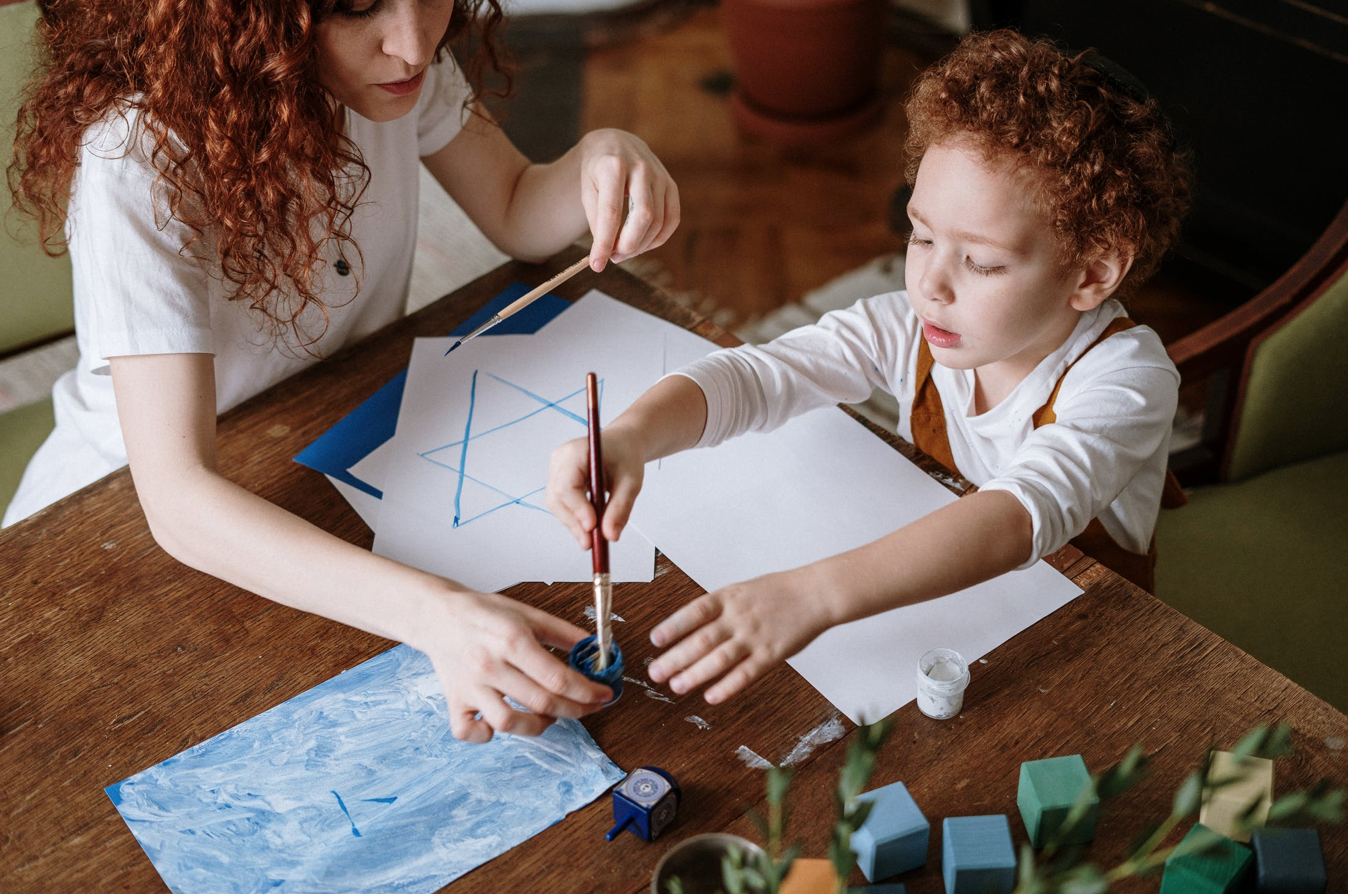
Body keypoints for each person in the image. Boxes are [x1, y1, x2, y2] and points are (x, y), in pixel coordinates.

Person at [5, 0, 680, 742]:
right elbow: (176, 498)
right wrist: (436, 613)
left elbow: (516, 208)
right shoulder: (137, 155)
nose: (415, 42)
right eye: (359, 7)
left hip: (339, 439)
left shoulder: (392, 67)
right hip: (117, 528)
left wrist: (602, 157)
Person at [546, 29, 1190, 706]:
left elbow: (1017, 516)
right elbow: (762, 376)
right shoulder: (911, 327)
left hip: (1091, 636)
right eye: (922, 234)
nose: (931, 284)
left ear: (1090, 273)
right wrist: (630, 437)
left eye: (982, 261)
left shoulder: (1126, 379)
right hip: (953, 608)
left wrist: (812, 594)